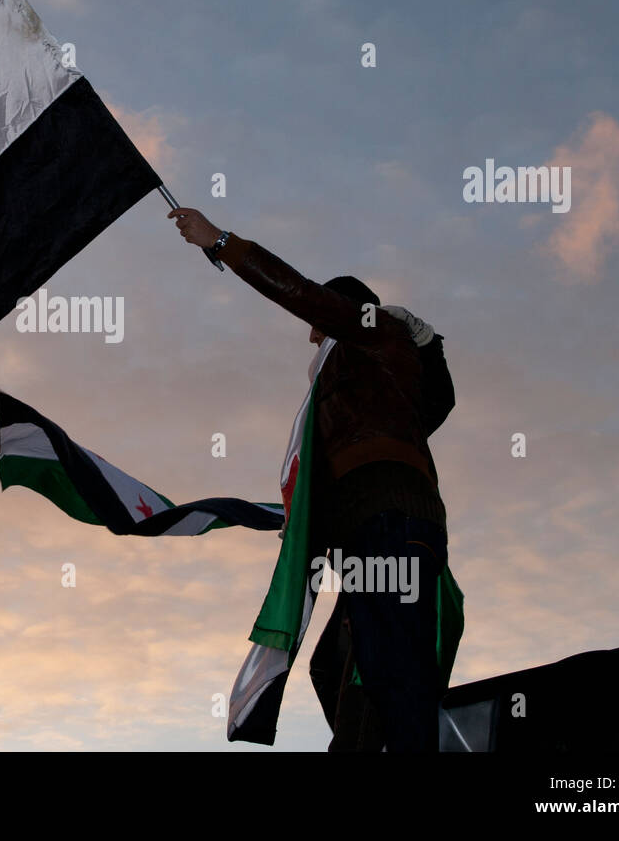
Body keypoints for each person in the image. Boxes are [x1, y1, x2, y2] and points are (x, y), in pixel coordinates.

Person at [168, 207, 451, 751]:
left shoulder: (371, 335)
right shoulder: (363, 374)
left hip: (387, 517)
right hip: (366, 523)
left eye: (321, 320)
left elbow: (300, 292)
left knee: (392, 666)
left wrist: (221, 241)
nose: (312, 333)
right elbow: (421, 411)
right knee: (347, 664)